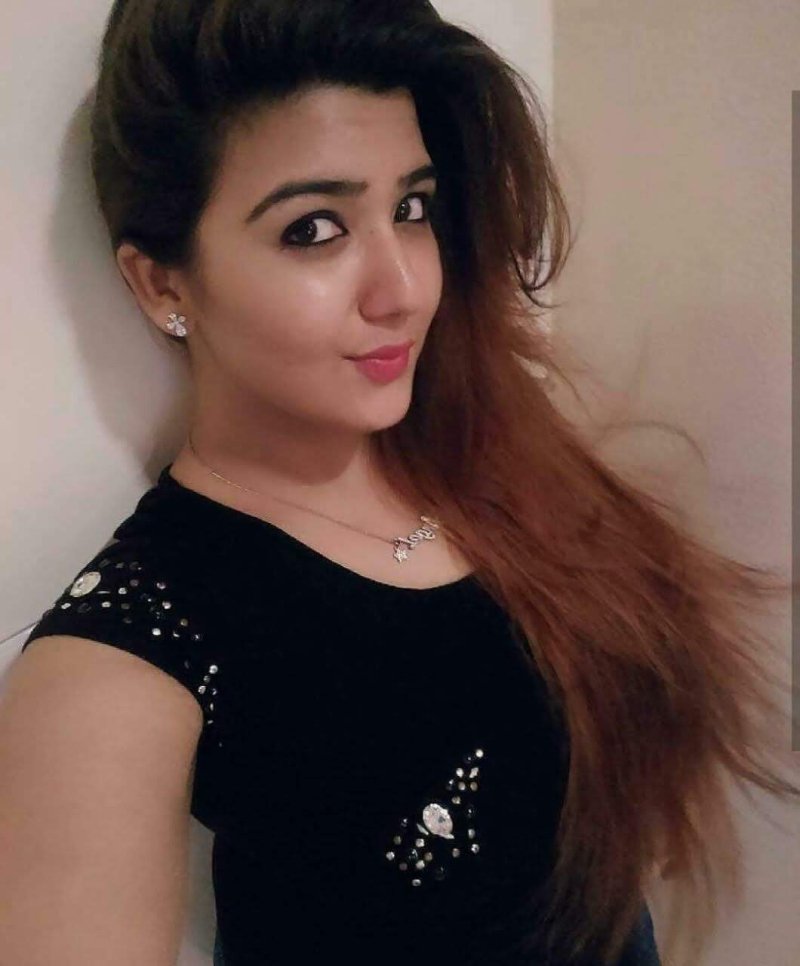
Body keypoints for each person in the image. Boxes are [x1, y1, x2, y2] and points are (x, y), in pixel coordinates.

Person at [0, 1, 796, 964]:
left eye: (411, 209)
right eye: (314, 229)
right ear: (162, 284)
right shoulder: (120, 661)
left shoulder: (484, 451)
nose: (405, 289)